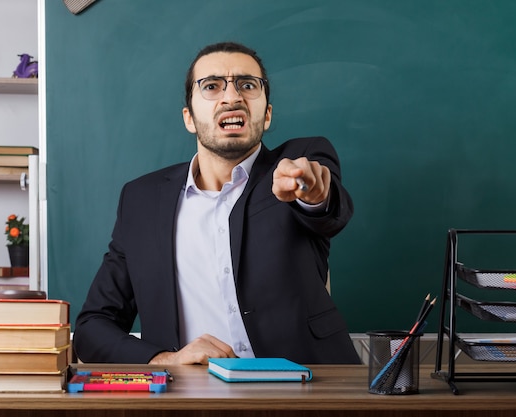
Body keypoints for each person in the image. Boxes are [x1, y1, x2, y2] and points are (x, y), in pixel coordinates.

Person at [73, 41, 361, 365]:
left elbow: (328, 210)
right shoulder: (141, 200)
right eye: (211, 86)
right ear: (189, 118)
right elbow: (92, 329)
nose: (232, 97)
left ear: (266, 115)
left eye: (247, 85)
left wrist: (313, 193)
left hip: (308, 391)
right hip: (191, 397)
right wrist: (167, 359)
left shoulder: (298, 164)